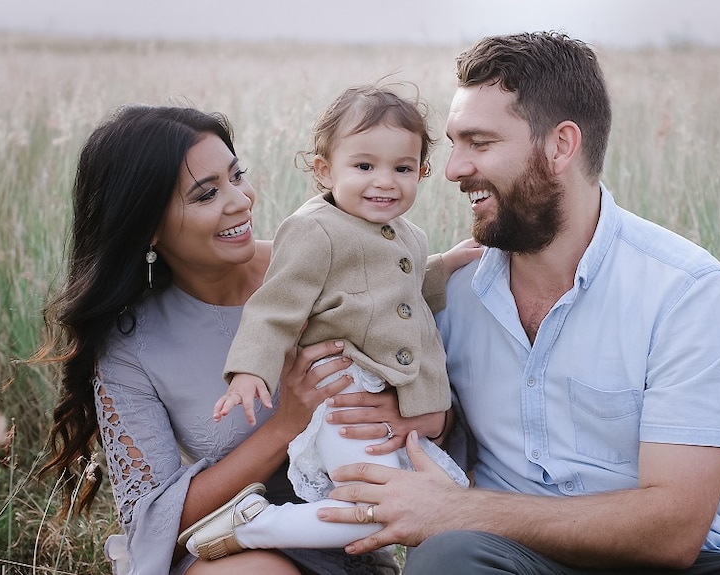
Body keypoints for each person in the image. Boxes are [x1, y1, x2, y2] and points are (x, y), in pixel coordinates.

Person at [315, 32, 720, 574]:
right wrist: (420, 421)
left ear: (561, 146)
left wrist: (459, 509)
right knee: (452, 556)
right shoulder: (448, 293)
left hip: (678, 566)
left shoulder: (685, 291)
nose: (452, 169)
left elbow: (674, 529)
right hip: (505, 561)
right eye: (454, 144)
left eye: (480, 143)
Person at [34, 104, 440, 575]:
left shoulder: (317, 268)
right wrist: (285, 424)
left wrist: (418, 415)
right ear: (147, 226)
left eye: (237, 175)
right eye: (206, 195)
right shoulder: (130, 349)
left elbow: (420, 335)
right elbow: (151, 524)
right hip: (229, 550)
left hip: (354, 534)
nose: (241, 200)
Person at [180, 84, 476, 560]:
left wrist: (444, 265)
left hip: (387, 400)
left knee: (443, 501)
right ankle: (257, 523)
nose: (385, 181)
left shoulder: (409, 234)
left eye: (402, 168)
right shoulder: (313, 229)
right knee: (374, 512)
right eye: (364, 166)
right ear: (325, 169)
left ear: (421, 171)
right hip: (345, 398)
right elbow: (274, 307)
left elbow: (403, 294)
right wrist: (249, 370)